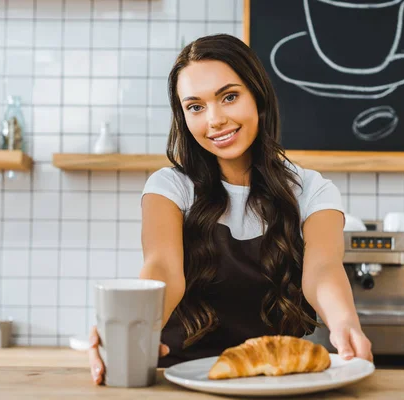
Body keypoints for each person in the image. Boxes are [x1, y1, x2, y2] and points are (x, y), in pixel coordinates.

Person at [88, 33, 372, 385]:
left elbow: (323, 270)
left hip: (278, 380)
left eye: (229, 97)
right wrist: (131, 323)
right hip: (176, 379)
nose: (215, 120)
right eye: (195, 106)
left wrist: (345, 323)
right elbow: (162, 266)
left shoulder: (312, 191)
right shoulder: (169, 187)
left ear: (258, 95)